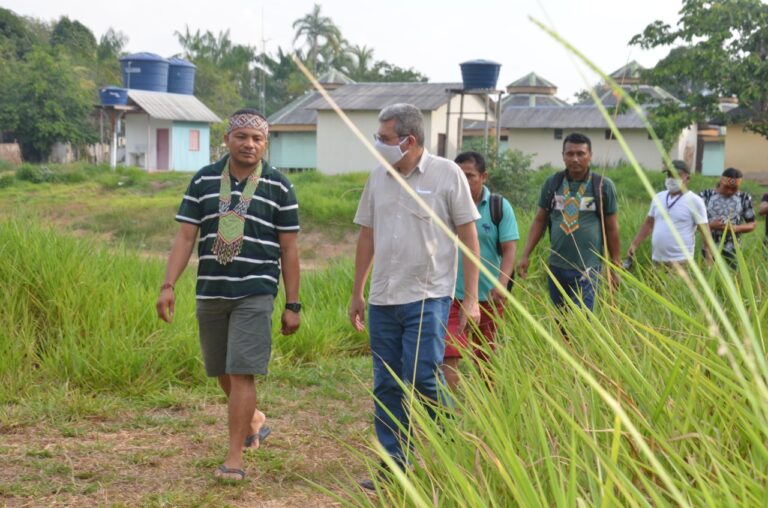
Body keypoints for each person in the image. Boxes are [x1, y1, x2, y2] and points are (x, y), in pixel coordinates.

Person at [155, 109, 301, 482]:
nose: (249, 144)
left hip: (256, 289)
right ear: (227, 139)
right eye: (242, 137)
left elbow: (290, 249)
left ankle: (235, 456)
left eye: (257, 139)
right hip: (211, 289)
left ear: (265, 144)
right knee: (220, 369)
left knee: (241, 371)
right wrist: (168, 285)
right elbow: (186, 235)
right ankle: (254, 418)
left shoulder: (279, 186)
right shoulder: (204, 180)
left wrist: (292, 304)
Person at [348, 103, 481, 488]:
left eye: (385, 138)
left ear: (409, 140)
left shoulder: (446, 174)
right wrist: (358, 291)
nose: (378, 144)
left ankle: (451, 448)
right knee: (387, 383)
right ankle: (394, 467)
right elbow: (367, 235)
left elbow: (467, 234)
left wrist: (470, 298)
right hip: (383, 299)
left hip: (429, 296)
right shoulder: (378, 177)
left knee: (422, 376)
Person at [516, 132, 620, 311]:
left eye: (581, 154)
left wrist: (615, 266)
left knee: (583, 319)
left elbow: (611, 229)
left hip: (587, 268)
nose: (575, 159)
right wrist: (525, 254)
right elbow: (540, 221)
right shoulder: (553, 183)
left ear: (590, 156)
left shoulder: (602, 186)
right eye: (570, 154)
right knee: (561, 320)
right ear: (563, 156)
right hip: (557, 266)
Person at [441, 151, 518, 389]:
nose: (463, 182)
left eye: (470, 176)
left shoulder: (498, 207)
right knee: (450, 353)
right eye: (458, 176)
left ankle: (488, 408)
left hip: (488, 297)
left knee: (484, 354)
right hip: (452, 295)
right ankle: (448, 413)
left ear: (483, 176)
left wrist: (501, 284)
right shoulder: (444, 205)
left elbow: (509, 249)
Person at [626, 160, 709, 266]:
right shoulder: (658, 197)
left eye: (675, 175)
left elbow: (704, 230)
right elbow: (649, 224)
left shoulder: (695, 201)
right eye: (669, 175)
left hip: (681, 261)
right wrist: (634, 245)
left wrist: (708, 256)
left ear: (687, 178)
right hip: (657, 260)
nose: (671, 179)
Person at [700, 167, 756, 267]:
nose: (730, 191)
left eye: (734, 189)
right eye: (726, 187)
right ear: (721, 182)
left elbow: (752, 224)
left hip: (733, 250)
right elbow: (693, 223)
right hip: (708, 249)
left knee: (731, 278)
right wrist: (711, 225)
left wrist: (735, 228)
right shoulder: (705, 196)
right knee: (708, 278)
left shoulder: (744, 198)